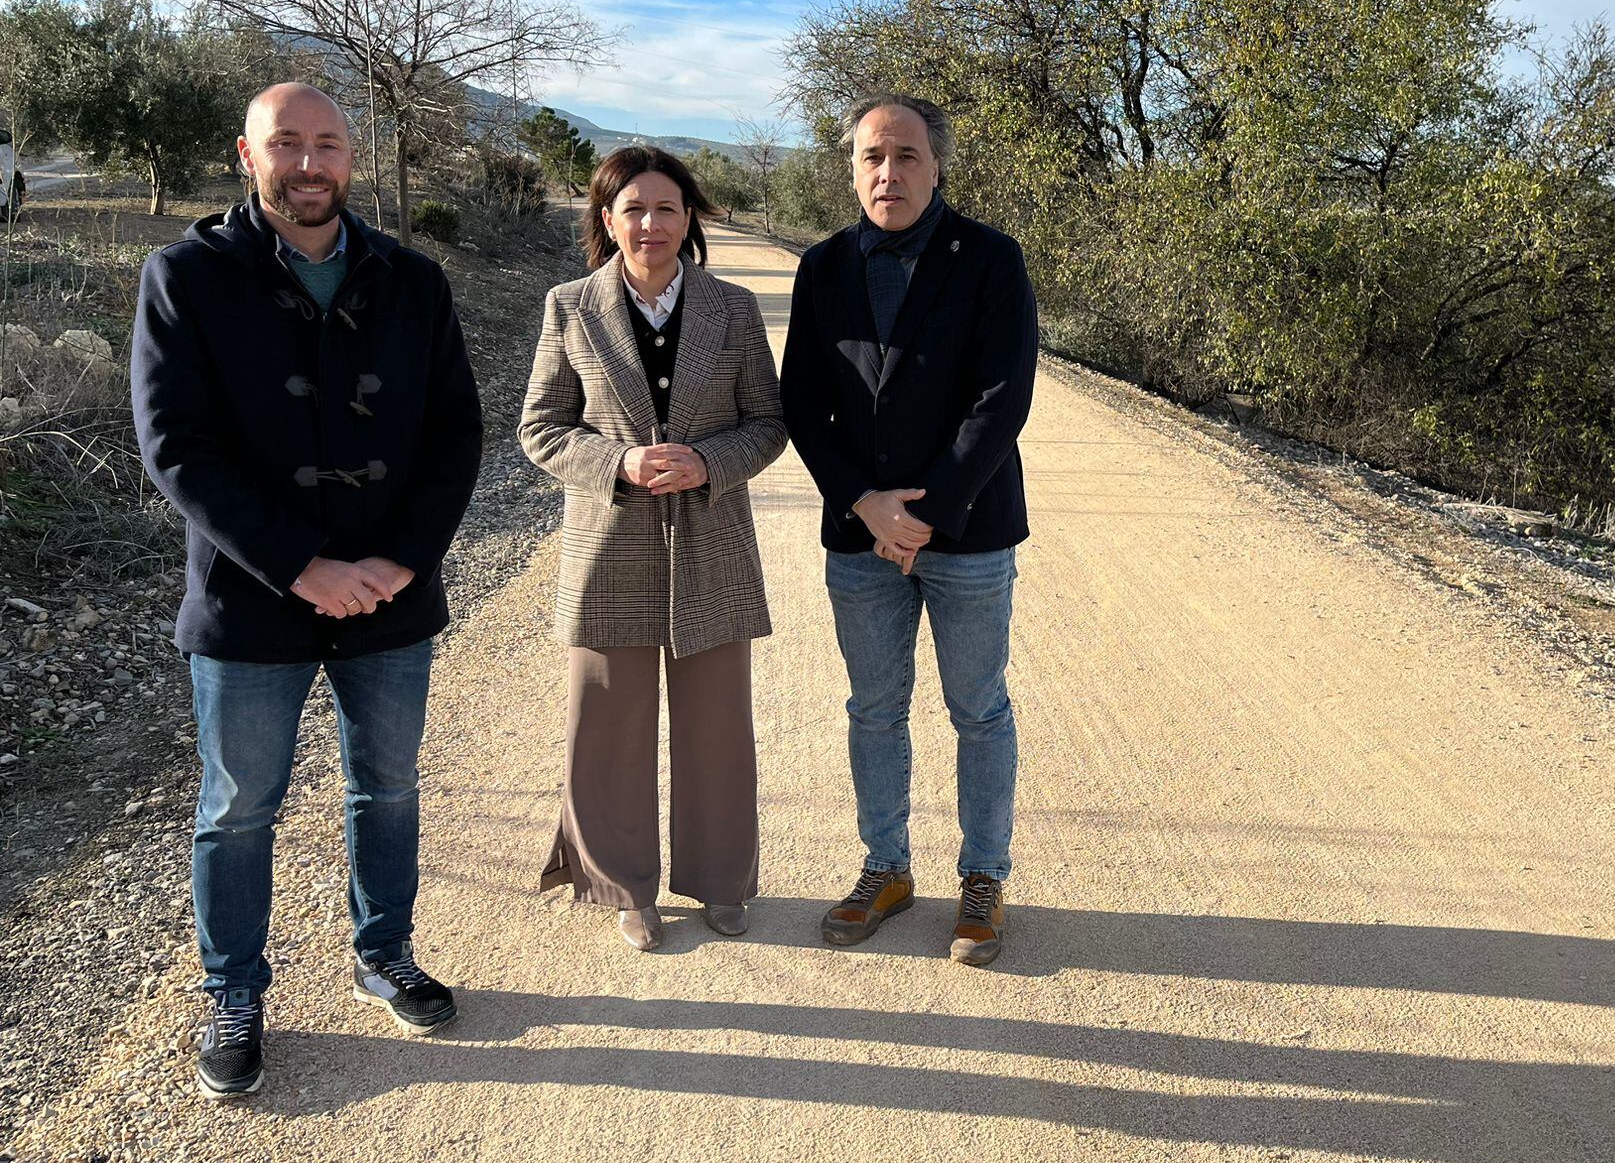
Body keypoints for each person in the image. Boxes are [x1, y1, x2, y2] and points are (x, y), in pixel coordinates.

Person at [131, 82, 483, 1100]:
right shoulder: (184, 277)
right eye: (287, 142)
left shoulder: (413, 281)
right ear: (248, 155)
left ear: (352, 157)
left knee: (390, 787)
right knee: (239, 808)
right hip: (249, 600)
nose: (309, 161)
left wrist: (404, 559)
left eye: (327, 143)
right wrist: (300, 565)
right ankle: (234, 993)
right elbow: (176, 450)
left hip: (390, 599)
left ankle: (385, 955)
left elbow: (455, 434)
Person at [780, 93, 1038, 966]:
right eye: (870, 158)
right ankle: (886, 867)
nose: (887, 173)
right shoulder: (822, 267)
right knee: (874, 709)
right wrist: (865, 503)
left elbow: (1003, 400)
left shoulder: (992, 261)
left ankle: (983, 878)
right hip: (860, 539)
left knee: (978, 710)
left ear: (938, 166)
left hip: (967, 534)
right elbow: (802, 405)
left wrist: (922, 519)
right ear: (851, 167)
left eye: (906, 157)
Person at [519, 146, 786, 952]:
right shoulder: (569, 306)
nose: (651, 223)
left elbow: (768, 425)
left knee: (718, 726)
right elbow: (540, 429)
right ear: (606, 220)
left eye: (667, 208)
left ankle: (721, 882)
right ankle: (622, 886)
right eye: (633, 209)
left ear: (689, 219)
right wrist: (619, 463)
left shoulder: (734, 309)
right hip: (607, 551)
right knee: (606, 725)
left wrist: (709, 462)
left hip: (714, 545)